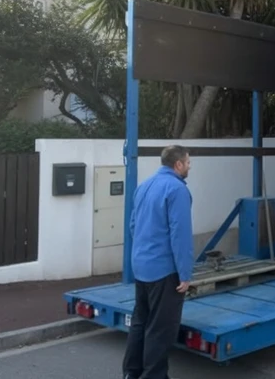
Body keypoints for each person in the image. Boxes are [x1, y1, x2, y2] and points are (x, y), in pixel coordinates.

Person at [123, 145, 194, 379]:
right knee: (160, 329)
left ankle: (131, 373)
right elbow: (180, 235)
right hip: (165, 271)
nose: (189, 166)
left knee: (139, 323)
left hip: (142, 267)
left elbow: (133, 225)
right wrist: (185, 274)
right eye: (188, 162)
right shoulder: (177, 190)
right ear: (178, 165)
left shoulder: (144, 186)